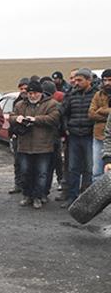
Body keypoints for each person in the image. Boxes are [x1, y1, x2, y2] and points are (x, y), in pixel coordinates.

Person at [12, 80, 61, 209]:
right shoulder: (20, 105)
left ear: (40, 93)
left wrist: (35, 120)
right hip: (24, 145)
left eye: (35, 93)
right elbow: (11, 116)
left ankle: (38, 197)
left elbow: (54, 118)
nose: (32, 96)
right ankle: (27, 195)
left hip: (43, 146)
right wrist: (17, 119)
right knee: (25, 172)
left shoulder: (51, 104)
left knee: (42, 173)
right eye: (30, 93)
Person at [58, 68, 98, 208]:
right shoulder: (71, 95)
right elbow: (63, 113)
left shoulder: (96, 95)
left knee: (89, 168)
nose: (76, 83)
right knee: (73, 168)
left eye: (80, 80)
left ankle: (87, 200)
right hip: (74, 135)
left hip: (89, 136)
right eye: (75, 80)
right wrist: (66, 128)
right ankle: (72, 197)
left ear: (89, 80)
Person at [88, 69, 111, 182]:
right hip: (99, 137)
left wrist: (102, 110)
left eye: (110, 80)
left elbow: (97, 112)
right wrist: (108, 118)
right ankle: (98, 198)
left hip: (109, 137)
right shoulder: (98, 94)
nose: (107, 83)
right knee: (97, 171)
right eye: (105, 80)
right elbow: (91, 114)